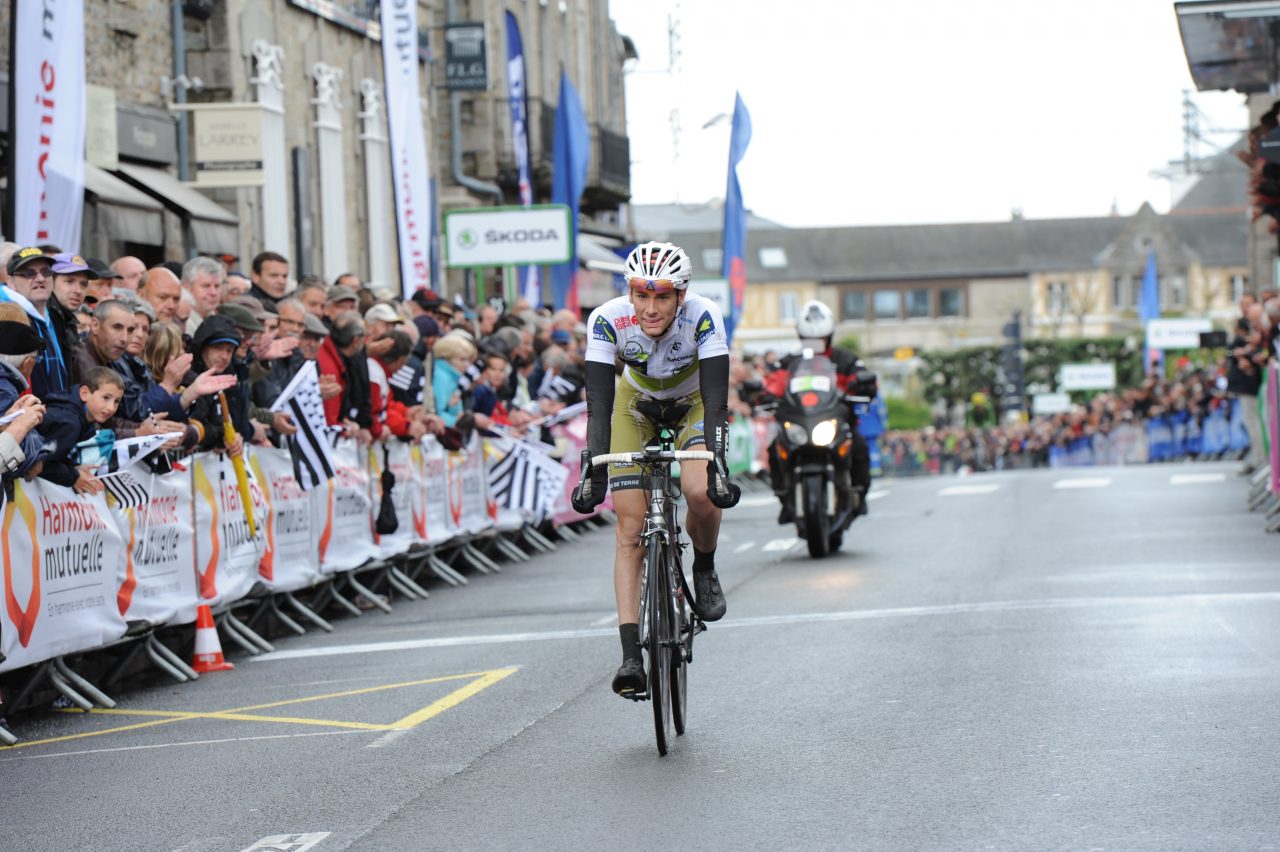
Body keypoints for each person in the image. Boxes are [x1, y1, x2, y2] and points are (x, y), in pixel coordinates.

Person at [570, 241, 740, 697]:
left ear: (681, 295)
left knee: (701, 491)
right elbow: (600, 404)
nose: (650, 308)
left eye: (662, 296)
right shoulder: (607, 318)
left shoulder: (704, 316)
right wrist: (594, 469)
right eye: (641, 296)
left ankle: (703, 567)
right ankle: (630, 656)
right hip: (634, 405)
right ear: (629, 291)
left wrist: (717, 465)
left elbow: (718, 402)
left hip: (693, 402)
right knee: (629, 525)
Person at [762, 300, 874, 521]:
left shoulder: (845, 359)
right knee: (775, 449)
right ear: (801, 337)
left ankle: (859, 495)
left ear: (829, 335)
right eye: (809, 338)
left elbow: (864, 380)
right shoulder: (789, 362)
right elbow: (770, 383)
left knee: (859, 447)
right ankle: (785, 498)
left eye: (820, 338)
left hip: (836, 421)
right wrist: (763, 392)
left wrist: (864, 385)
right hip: (799, 422)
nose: (815, 343)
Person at [36, 366, 127, 494]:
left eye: (116, 401)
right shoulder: (69, 422)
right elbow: (39, 463)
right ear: (84, 393)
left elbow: (53, 455)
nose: (111, 408)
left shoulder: (76, 417)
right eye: (106, 398)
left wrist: (73, 467)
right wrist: (74, 476)